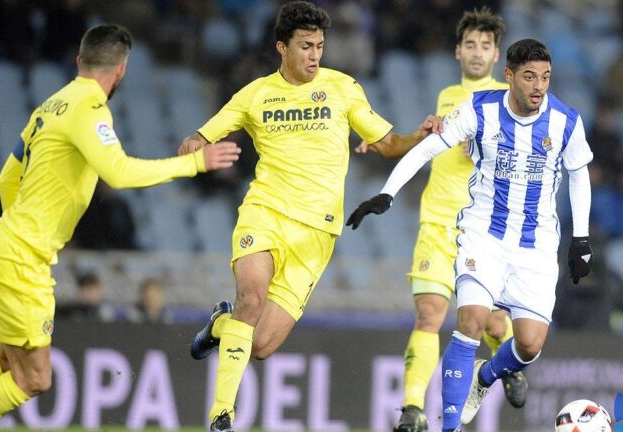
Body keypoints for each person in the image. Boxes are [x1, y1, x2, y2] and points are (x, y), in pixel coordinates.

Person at [0, 23, 240, 432]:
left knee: (7, 360)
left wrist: (19, 228)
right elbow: (118, 172)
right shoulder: (89, 109)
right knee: (34, 378)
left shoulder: (49, 106)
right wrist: (195, 163)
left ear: (79, 61)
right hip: (19, 255)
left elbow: (5, 179)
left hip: (2, 243)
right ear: (121, 70)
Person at [179, 2, 440, 431]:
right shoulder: (255, 94)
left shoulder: (342, 88)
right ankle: (221, 416)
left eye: (319, 45)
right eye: (305, 46)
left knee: (261, 345)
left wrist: (418, 136)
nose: (315, 55)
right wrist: (193, 141)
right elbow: (205, 132)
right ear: (282, 47)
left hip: (316, 235)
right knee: (251, 298)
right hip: (265, 213)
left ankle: (220, 325)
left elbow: (387, 143)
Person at [347, 39, 593, 431]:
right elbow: (427, 149)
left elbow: (579, 174)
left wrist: (580, 239)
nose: (538, 87)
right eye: (529, 76)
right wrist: (387, 193)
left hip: (537, 243)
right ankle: (450, 427)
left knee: (529, 344)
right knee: (471, 321)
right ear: (509, 76)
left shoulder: (566, 121)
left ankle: (485, 377)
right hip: (484, 234)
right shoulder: (481, 109)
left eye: (545, 77)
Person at [354, 9, 526, 430]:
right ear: (457, 51)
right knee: (430, 314)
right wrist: (416, 135)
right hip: (437, 221)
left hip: (484, 225)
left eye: (485, 46)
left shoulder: (508, 100)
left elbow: (524, 160)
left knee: (490, 321)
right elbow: (431, 143)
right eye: (470, 44)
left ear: (497, 54)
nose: (477, 52)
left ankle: (510, 361)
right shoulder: (448, 95)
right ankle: (413, 409)